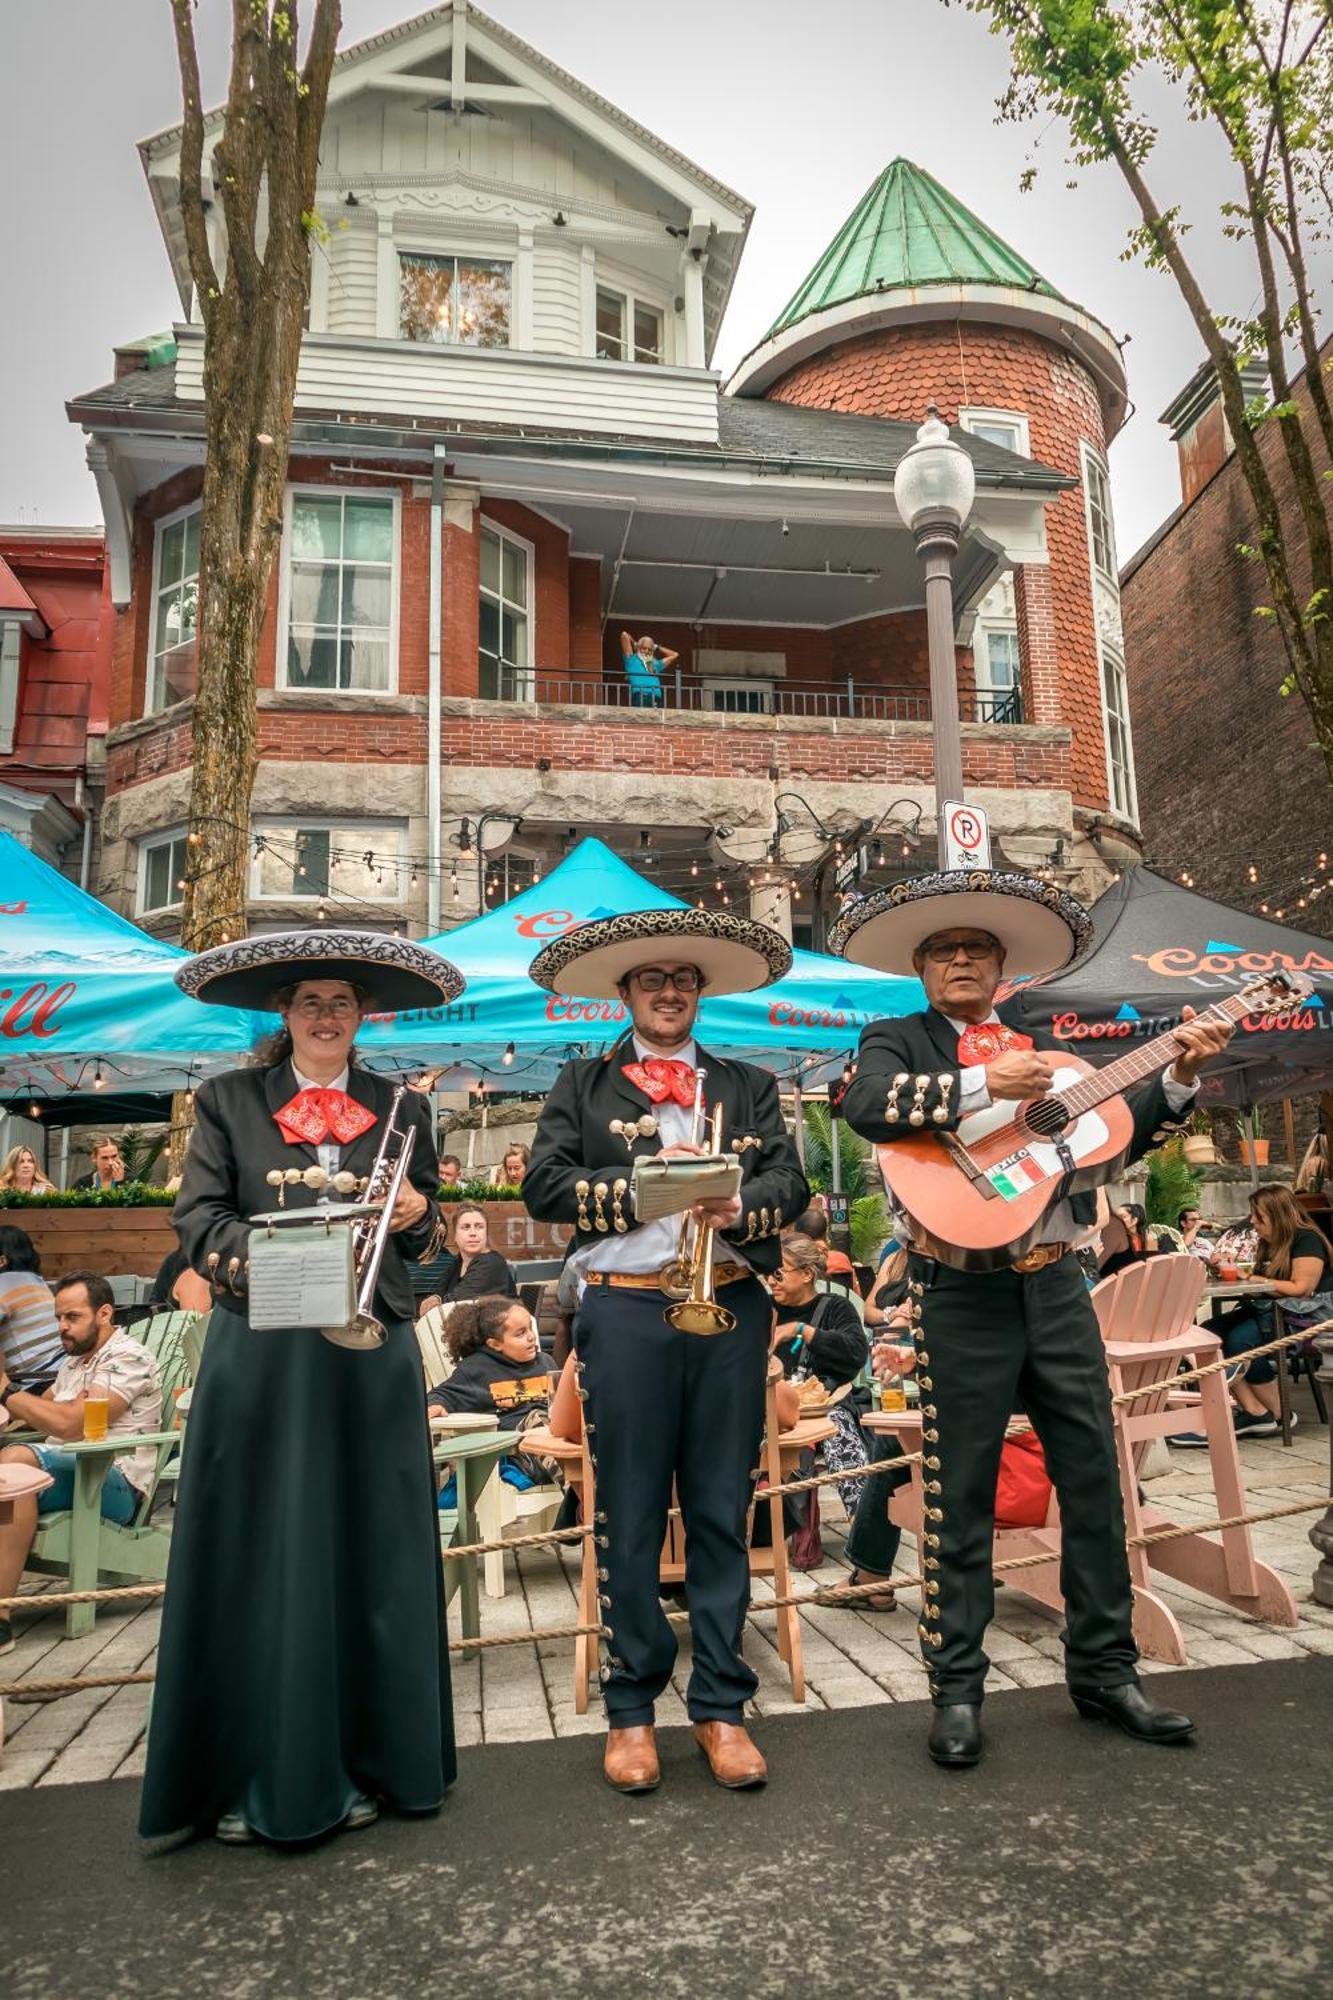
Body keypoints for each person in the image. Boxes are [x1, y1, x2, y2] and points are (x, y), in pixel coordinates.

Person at [834, 866, 1234, 1768]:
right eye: (944, 951)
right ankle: (958, 1688)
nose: (961, 961)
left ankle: (1104, 1671)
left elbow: (1117, 1131)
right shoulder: (895, 1038)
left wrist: (1173, 1080)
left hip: (1056, 1282)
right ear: (923, 971)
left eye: (976, 949)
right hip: (958, 1290)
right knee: (959, 1491)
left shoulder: (1051, 1049)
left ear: (1001, 967)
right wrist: (982, 1090)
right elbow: (865, 1108)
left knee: (1093, 1478)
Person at [138, 928, 465, 1848]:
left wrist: (419, 1215)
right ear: (284, 1015)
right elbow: (198, 1223)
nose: (328, 1017)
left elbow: (424, 1249)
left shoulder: (404, 1110)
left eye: (344, 1004)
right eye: (311, 1002)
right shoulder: (228, 1100)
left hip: (370, 1357)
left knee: (371, 1551)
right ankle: (257, 1770)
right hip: (266, 1352)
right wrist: (281, 1258)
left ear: (364, 1018)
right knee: (265, 1549)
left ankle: (379, 1762)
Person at [525, 905, 808, 1794]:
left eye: (683, 980)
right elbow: (544, 1185)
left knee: (724, 1512)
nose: (669, 991)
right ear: (625, 993)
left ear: (699, 993)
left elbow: (789, 1183)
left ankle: (721, 1709)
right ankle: (633, 1710)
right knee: (632, 1515)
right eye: (652, 980)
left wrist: (742, 1209)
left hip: (726, 1306)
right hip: (626, 1312)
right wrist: (644, 1191)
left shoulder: (746, 1083)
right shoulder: (582, 1081)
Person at [0, 1273, 161, 1653]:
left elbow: (69, 1424)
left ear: (104, 1314)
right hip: (68, 1471)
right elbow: (42, 1414)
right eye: (58, 1318)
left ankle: (1, 1621)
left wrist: (8, 1391)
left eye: (72, 1317)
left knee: (18, 1461)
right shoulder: (75, 1363)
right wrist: (25, 1411)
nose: (62, 1327)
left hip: (112, 1481)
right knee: (14, 1464)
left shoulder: (126, 1357)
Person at [1180, 1186, 1333, 1445]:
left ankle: (1280, 1413)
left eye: (1257, 1216)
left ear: (1277, 1214)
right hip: (1273, 1309)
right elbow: (1264, 1280)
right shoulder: (1268, 1242)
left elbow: (1301, 1289)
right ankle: (1255, 1411)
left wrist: (1251, 1277)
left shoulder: (1306, 1239)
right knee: (1208, 1333)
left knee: (1240, 1341)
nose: (1252, 1221)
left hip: (1307, 1317)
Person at [769, 1229, 871, 1507]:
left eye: (778, 1273)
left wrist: (803, 1331)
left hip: (826, 1407)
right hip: (772, 1408)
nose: (770, 1281)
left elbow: (856, 1352)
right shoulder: (764, 1309)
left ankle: (862, 1527)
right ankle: (777, 1526)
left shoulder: (836, 1307)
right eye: (768, 1273)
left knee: (840, 1439)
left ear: (806, 1274)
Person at [427, 1295, 556, 1499]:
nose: (531, 1337)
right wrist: (435, 1404)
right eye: (520, 1333)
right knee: (536, 1419)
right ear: (495, 1344)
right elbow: (442, 1394)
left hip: (554, 1437)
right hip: (514, 1452)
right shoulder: (477, 1371)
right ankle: (585, 1494)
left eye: (531, 1329)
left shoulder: (546, 1363)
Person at [0, 1227, 64, 1393]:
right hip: (65, 1370)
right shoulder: (38, 1282)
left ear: (2, 1261)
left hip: (37, 1380)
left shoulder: (3, 1283)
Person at [439, 1205, 519, 1303]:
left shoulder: (491, 1263)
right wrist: (435, 1298)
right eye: (466, 1227)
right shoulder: (457, 1262)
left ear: (486, 1233)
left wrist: (436, 1302)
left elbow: (457, 1301)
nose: (473, 1233)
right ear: (455, 1235)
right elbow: (438, 1293)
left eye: (479, 1227)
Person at [1098, 1202, 1168, 1279]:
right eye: (1117, 1217)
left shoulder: (1148, 1239)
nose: (1118, 1221)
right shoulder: (1116, 1239)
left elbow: (1154, 1266)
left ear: (1134, 1220)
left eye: (1122, 1217)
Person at [619, 630, 677, 708]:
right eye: (644, 648)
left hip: (656, 696)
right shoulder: (631, 659)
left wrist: (657, 647)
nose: (646, 651)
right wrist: (634, 643)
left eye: (649, 649)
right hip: (640, 694)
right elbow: (624, 635)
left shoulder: (655, 663)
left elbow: (674, 655)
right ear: (638, 648)